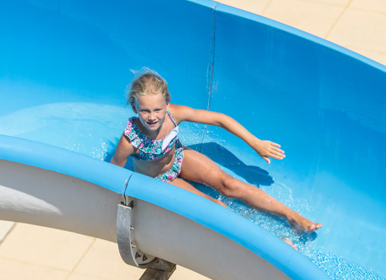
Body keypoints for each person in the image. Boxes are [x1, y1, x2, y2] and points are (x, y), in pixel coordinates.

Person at [110, 69, 322, 234]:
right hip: (159, 178)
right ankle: (262, 239)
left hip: (179, 158)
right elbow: (112, 174)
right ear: (134, 108)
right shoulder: (130, 140)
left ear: (167, 103)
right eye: (145, 110)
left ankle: (291, 215)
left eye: (157, 109)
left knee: (229, 184)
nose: (152, 116)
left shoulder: (175, 114)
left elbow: (219, 119)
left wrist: (255, 142)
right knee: (216, 208)